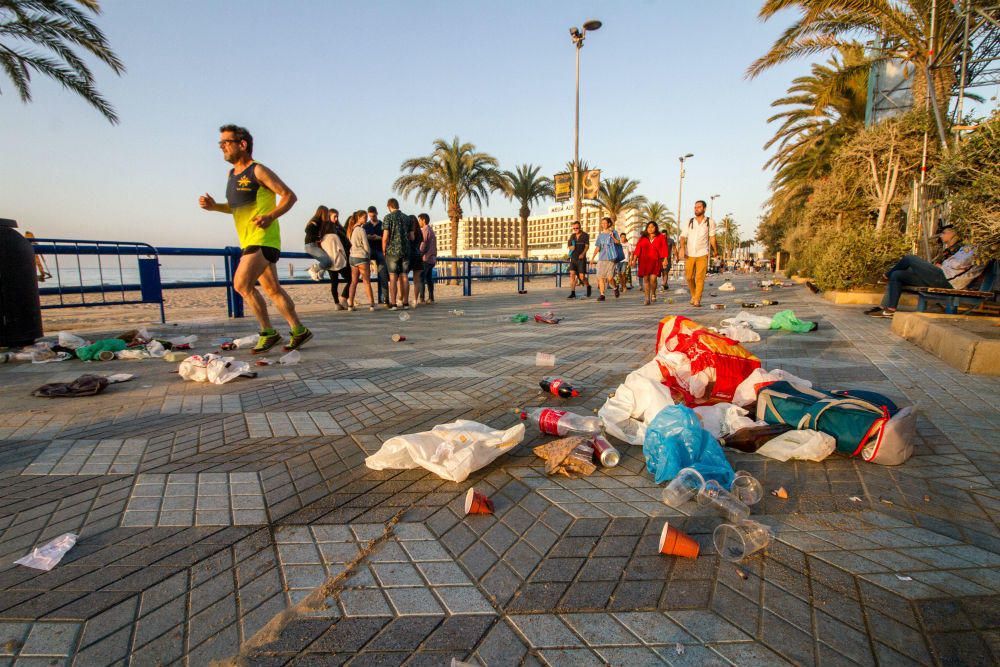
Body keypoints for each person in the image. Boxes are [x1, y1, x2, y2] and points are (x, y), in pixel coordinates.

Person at [198, 124, 312, 352]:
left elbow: (289, 196)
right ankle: (299, 331)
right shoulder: (232, 175)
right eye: (220, 143)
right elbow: (236, 207)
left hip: (263, 238)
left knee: (241, 284)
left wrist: (271, 216)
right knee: (272, 290)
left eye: (226, 142)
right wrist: (214, 207)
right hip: (249, 240)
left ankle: (268, 333)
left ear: (243, 144)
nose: (222, 147)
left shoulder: (258, 170)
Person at [866, 224, 983, 318]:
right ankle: (890, 310)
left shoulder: (978, 250)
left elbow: (958, 264)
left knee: (910, 259)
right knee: (898, 274)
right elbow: (954, 264)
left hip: (948, 281)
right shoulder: (967, 248)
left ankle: (886, 275)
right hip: (942, 276)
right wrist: (942, 265)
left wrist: (942, 266)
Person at [678, 200, 718, 307]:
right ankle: (694, 295)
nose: (696, 209)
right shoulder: (689, 221)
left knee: (700, 278)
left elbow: (712, 238)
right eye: (695, 207)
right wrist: (682, 248)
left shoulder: (710, 222)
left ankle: (697, 299)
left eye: (699, 207)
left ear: (704, 209)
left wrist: (715, 251)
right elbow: (682, 236)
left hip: (702, 253)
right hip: (689, 254)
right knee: (689, 277)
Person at [382, 198, 413, 310]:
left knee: (393, 277)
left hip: (392, 251)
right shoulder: (407, 218)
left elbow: (385, 237)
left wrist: (384, 250)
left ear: (389, 206)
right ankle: (405, 303)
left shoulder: (388, 217)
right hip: (405, 251)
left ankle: (394, 304)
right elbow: (412, 236)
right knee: (404, 276)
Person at [347, 211, 375, 311]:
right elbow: (366, 246)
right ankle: (371, 304)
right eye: (364, 217)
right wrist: (369, 257)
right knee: (366, 281)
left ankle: (350, 304)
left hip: (352, 257)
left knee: (353, 282)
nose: (366, 219)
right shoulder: (361, 230)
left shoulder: (350, 229)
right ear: (358, 217)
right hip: (361, 257)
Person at [325, 208, 352, 310]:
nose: (336, 219)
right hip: (332, 257)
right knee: (334, 282)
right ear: (329, 216)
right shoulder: (326, 229)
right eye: (334, 216)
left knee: (351, 279)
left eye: (337, 216)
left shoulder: (340, 228)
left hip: (343, 257)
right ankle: (337, 303)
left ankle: (344, 296)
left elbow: (346, 241)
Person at [632, 222, 664, 306]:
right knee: (645, 279)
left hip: (655, 261)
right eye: (648, 227)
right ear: (646, 228)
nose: (650, 229)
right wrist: (634, 259)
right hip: (644, 261)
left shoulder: (660, 237)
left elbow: (664, 248)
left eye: (652, 227)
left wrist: (664, 259)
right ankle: (647, 298)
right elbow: (638, 249)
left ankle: (653, 293)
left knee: (653, 279)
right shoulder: (643, 238)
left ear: (656, 228)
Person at [590, 217, 622, 301]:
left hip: (611, 258)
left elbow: (618, 242)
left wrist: (613, 237)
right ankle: (602, 295)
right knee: (600, 277)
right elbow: (598, 247)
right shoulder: (600, 235)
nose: (603, 224)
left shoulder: (614, 232)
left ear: (609, 224)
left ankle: (615, 288)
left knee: (610, 278)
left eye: (605, 223)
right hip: (601, 258)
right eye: (602, 223)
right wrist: (593, 258)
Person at [364, 206, 389, 305]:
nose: (372, 218)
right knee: (366, 275)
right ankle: (371, 300)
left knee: (383, 275)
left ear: (376, 213)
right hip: (369, 250)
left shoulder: (383, 225)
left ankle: (383, 298)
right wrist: (368, 237)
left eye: (373, 216)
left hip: (380, 250)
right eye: (370, 216)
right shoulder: (365, 226)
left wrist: (379, 238)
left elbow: (387, 237)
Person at [304, 206, 333, 281]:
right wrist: (318, 238)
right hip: (310, 246)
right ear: (322, 213)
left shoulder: (321, 223)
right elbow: (307, 230)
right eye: (327, 214)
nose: (328, 216)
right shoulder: (315, 221)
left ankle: (319, 272)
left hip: (315, 246)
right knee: (327, 262)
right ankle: (313, 269)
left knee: (331, 261)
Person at [566, 220, 591, 299]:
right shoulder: (572, 236)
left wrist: (583, 254)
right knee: (572, 274)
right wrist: (571, 247)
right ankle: (573, 293)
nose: (575, 229)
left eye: (577, 228)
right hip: (573, 258)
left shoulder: (585, 235)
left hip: (581, 259)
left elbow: (587, 246)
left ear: (580, 227)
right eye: (574, 228)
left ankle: (588, 286)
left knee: (582, 277)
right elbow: (569, 246)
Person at [418, 213, 437, 304]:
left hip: (426, 258)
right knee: (429, 278)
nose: (419, 222)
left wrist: (419, 253)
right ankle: (431, 298)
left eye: (419, 220)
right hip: (432, 258)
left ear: (423, 220)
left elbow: (423, 243)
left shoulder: (425, 230)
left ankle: (421, 298)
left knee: (421, 278)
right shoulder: (431, 230)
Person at [407, 215, 423, 308]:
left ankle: (404, 299)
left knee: (404, 278)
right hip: (418, 256)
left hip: (409, 256)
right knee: (417, 281)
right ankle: (415, 300)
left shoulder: (409, 232)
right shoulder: (420, 233)